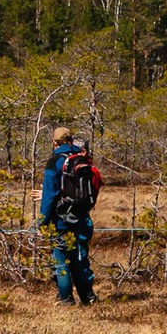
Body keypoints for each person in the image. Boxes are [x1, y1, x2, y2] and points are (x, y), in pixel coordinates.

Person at [39, 127, 101, 305]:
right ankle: (85, 298)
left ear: (55, 142)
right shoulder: (81, 160)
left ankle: (66, 299)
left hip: (59, 219)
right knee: (74, 259)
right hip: (78, 216)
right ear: (71, 141)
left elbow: (49, 195)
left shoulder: (55, 162)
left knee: (60, 259)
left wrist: (42, 221)